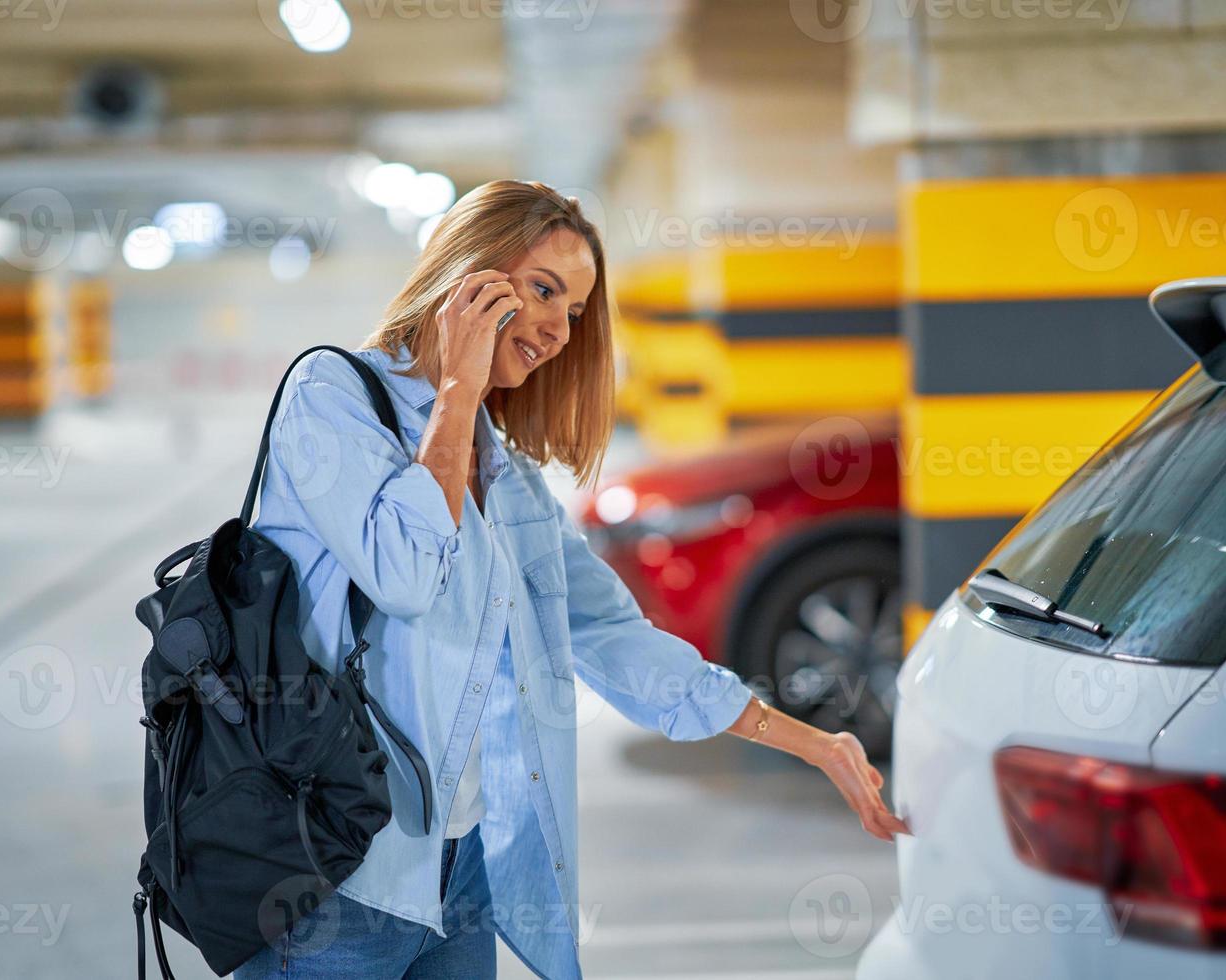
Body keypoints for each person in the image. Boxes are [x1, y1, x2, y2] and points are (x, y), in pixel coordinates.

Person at [234, 179, 909, 980]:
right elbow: (406, 574)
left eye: (576, 311)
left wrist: (811, 740)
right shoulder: (330, 399)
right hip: (339, 871)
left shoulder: (506, 475)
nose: (559, 329)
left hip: (460, 869)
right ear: (467, 277)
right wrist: (456, 389)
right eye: (544, 290)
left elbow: (612, 637)